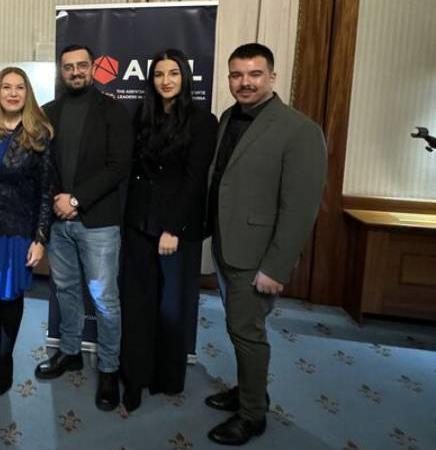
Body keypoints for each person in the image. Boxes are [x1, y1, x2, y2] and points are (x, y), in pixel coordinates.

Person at [204, 43, 326, 445]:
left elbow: (300, 208)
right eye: (237, 75)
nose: (245, 82)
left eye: (255, 74)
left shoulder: (300, 130)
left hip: (257, 256)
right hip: (226, 245)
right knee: (238, 326)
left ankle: (252, 415)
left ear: (272, 76)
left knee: (247, 332)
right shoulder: (228, 117)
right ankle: (247, 391)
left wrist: (276, 267)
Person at [118, 49, 218, 411]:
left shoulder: (202, 121)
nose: (166, 80)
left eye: (173, 73)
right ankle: (134, 377)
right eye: (159, 74)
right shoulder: (141, 115)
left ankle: (167, 377)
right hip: (138, 223)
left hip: (176, 228)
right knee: (136, 303)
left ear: (184, 78)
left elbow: (194, 181)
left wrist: (172, 228)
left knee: (171, 308)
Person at [35, 44, 133, 412]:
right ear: (60, 71)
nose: (75, 72)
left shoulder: (113, 111)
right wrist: (56, 203)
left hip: (98, 223)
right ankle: (70, 352)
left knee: (105, 299)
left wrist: (75, 200)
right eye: (68, 67)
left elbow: (118, 166)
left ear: (92, 68)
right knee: (65, 291)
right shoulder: (48, 112)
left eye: (81, 66)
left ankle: (108, 367)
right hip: (59, 222)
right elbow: (43, 167)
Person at [0, 67, 54, 396]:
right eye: (6, 87)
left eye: (20, 87)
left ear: (27, 94)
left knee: (10, 296)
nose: (13, 93)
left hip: (17, 228)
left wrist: (40, 238)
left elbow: (46, 192)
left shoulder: (38, 134)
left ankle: (5, 358)